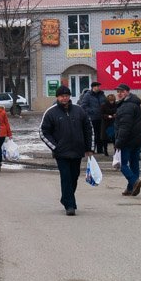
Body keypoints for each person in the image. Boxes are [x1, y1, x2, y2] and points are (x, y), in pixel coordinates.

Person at [39, 85, 95, 216]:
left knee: (74, 177)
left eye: (67, 96)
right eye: (62, 96)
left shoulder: (79, 110)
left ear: (70, 97)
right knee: (66, 177)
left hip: (77, 151)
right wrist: (55, 147)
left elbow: (89, 129)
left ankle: (66, 198)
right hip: (61, 152)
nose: (64, 98)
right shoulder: (51, 112)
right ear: (57, 97)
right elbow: (43, 132)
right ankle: (70, 205)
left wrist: (90, 148)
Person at [113, 83, 141, 196]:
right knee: (134, 163)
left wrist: (118, 142)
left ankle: (134, 181)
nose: (119, 94)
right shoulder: (134, 104)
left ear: (127, 92)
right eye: (118, 92)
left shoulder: (126, 106)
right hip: (137, 139)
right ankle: (131, 188)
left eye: (122, 91)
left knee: (121, 164)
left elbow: (124, 126)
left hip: (127, 140)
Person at [78, 82, 107, 154]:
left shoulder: (102, 95)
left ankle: (100, 149)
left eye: (99, 86)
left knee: (100, 134)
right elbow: (83, 106)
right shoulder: (87, 95)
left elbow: (105, 103)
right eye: (96, 86)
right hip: (92, 118)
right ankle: (92, 149)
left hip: (101, 118)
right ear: (93, 87)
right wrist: (92, 111)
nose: (98, 87)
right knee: (93, 134)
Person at [99, 90, 118, 156]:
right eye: (110, 101)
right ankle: (105, 151)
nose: (112, 102)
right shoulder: (104, 105)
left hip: (113, 123)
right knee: (105, 139)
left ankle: (116, 150)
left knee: (114, 138)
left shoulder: (116, 105)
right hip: (106, 124)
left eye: (113, 101)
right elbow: (101, 114)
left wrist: (116, 115)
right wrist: (107, 116)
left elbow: (118, 112)